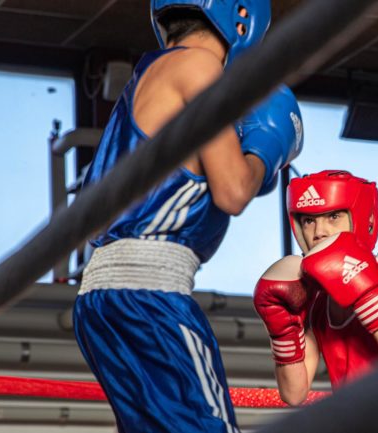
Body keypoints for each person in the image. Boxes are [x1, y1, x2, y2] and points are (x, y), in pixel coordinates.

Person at [73, 1, 303, 432]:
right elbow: (234, 191)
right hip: (149, 298)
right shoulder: (200, 67)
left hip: (102, 300)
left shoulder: (149, 76)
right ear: (244, 19)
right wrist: (266, 148)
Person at [253, 170, 378, 432]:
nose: (319, 231)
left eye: (333, 216)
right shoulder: (314, 298)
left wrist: (362, 291)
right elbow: (294, 392)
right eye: (309, 220)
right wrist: (281, 329)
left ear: (363, 218)